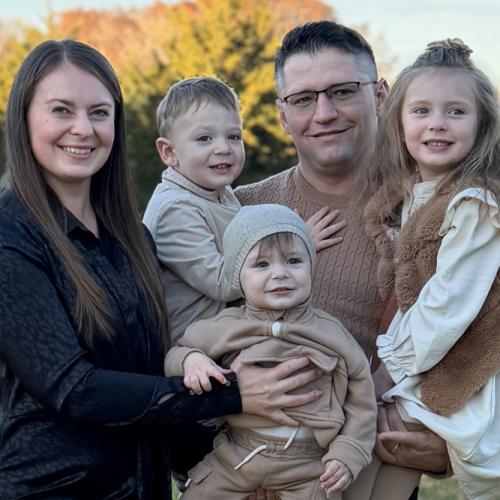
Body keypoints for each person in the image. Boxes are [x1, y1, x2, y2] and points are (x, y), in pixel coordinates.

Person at [0, 39, 323, 500]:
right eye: (61, 110)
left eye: (99, 112)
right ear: (24, 118)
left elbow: (154, 376)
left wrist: (229, 468)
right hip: (52, 487)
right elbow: (74, 390)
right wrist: (234, 395)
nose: (83, 128)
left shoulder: (131, 236)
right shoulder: (11, 235)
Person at [235, 20, 450, 499]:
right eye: (303, 99)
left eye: (342, 91)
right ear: (282, 113)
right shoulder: (241, 211)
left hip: (374, 474)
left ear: (380, 95)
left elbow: (481, 341)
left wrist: (450, 448)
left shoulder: (441, 210)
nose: (324, 113)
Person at [362, 39, 500, 500]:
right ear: (399, 123)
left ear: (482, 125)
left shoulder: (476, 204)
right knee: (375, 441)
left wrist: (387, 373)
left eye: (456, 112)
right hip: (428, 362)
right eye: (421, 110)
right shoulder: (413, 198)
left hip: (465, 369)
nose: (437, 123)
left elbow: (447, 304)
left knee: (375, 432)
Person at [165, 204, 376, 499]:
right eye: (262, 265)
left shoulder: (332, 333)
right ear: (237, 275)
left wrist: (347, 452)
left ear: (311, 267)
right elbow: (176, 353)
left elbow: (362, 400)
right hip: (236, 455)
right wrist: (192, 360)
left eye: (294, 261)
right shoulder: (224, 326)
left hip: (309, 465)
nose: (280, 273)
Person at [143, 76, 344, 344]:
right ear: (169, 152)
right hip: (194, 346)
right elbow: (221, 283)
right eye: (204, 138)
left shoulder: (220, 194)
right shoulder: (175, 209)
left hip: (227, 331)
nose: (223, 148)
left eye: (233, 137)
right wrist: (291, 244)